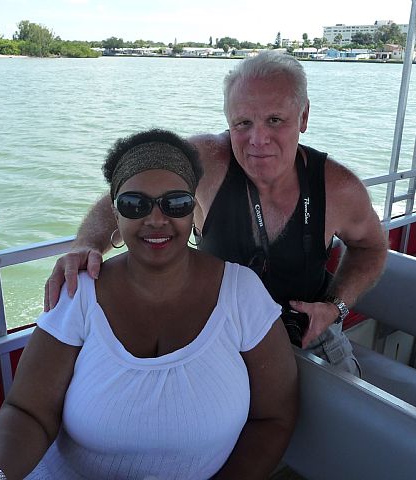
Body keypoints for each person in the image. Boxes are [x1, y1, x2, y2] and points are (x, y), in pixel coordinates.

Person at [0, 129, 298, 480]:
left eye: (176, 203)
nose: (156, 219)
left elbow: (274, 418)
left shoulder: (241, 292)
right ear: (115, 215)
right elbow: (28, 411)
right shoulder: (79, 291)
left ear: (192, 212)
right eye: (135, 204)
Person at [45, 51, 388, 375]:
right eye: (243, 123)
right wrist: (86, 244)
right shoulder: (206, 160)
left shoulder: (337, 187)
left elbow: (371, 247)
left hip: (309, 339)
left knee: (349, 415)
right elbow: (125, 193)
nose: (258, 139)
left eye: (274, 120)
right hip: (214, 335)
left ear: (304, 116)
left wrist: (335, 307)